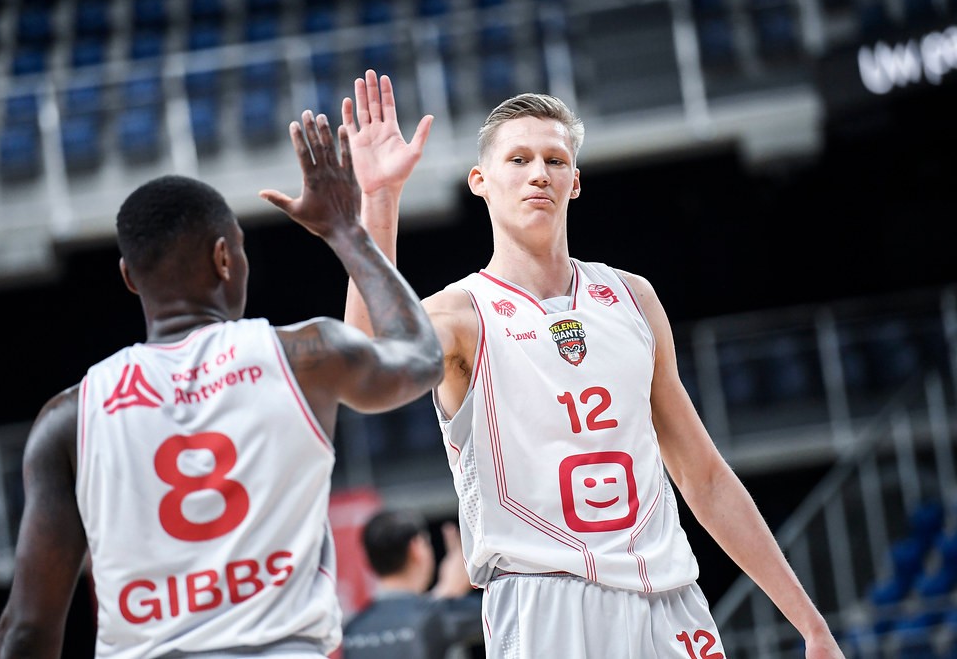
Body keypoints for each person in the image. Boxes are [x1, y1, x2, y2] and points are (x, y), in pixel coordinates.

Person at [340, 69, 846, 658]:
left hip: (668, 596)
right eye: (519, 159)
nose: (538, 173)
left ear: (574, 182)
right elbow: (361, 369)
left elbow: (704, 476)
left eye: (555, 160)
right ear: (480, 181)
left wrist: (810, 624)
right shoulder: (460, 314)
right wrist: (379, 199)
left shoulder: (633, 297)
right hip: (545, 600)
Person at [0, 111, 443, 659]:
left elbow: (27, 629)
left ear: (130, 278)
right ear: (225, 258)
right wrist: (347, 231)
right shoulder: (303, 356)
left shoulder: (69, 417)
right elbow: (420, 357)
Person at [342, 509, 483, 659]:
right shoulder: (438, 616)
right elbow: (496, 615)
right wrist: (448, 595)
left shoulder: (352, 628)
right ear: (416, 548)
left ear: (367, 559)